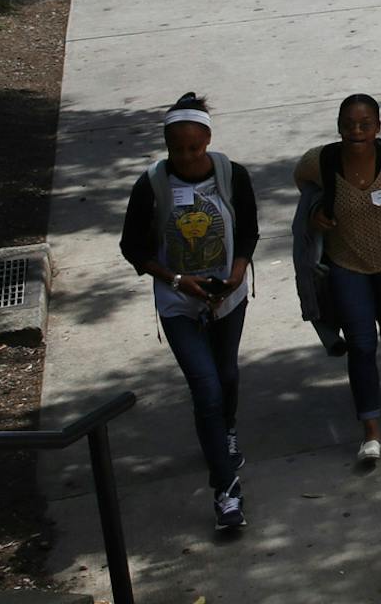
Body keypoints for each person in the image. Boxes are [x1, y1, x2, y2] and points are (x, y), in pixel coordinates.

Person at [118, 94, 257, 532]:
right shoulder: (152, 185)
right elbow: (132, 248)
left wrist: (235, 275)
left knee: (227, 376)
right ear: (166, 147)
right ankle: (226, 492)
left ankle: (225, 431)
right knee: (206, 390)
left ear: (208, 141)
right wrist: (177, 281)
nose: (186, 157)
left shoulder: (232, 175)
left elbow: (249, 229)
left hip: (227, 299)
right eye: (177, 149)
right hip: (180, 304)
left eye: (194, 149)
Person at [294, 94, 381, 464]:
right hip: (346, 263)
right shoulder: (322, 160)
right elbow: (301, 179)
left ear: (378, 127)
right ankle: (371, 429)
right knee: (362, 343)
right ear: (339, 127)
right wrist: (315, 209)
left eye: (365, 124)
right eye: (348, 124)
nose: (356, 131)